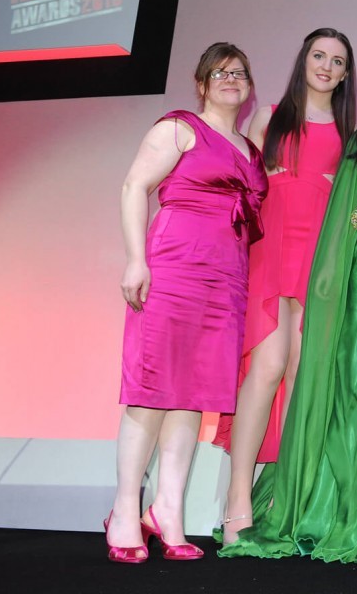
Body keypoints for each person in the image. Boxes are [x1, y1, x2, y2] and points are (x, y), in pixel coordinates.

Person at [219, 52, 357, 563]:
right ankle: (243, 500)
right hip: (335, 261)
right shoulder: (344, 135)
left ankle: (346, 497)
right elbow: (251, 187)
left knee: (321, 373)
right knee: (284, 369)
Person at [106, 42, 267, 563]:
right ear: (201, 84)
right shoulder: (179, 128)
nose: (231, 79)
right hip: (173, 267)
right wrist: (136, 260)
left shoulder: (249, 149)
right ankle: (125, 511)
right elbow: (134, 186)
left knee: (192, 394)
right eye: (220, 73)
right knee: (151, 389)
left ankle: (168, 512)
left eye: (239, 73)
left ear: (249, 87)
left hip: (226, 279)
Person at [213, 28, 357, 544]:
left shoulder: (351, 134)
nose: (326, 66)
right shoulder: (269, 116)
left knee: (302, 375)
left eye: (336, 61)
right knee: (267, 367)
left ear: (345, 74)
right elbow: (243, 190)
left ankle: (288, 498)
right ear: (304, 60)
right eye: (319, 55)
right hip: (272, 250)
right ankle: (238, 499)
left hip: (321, 258)